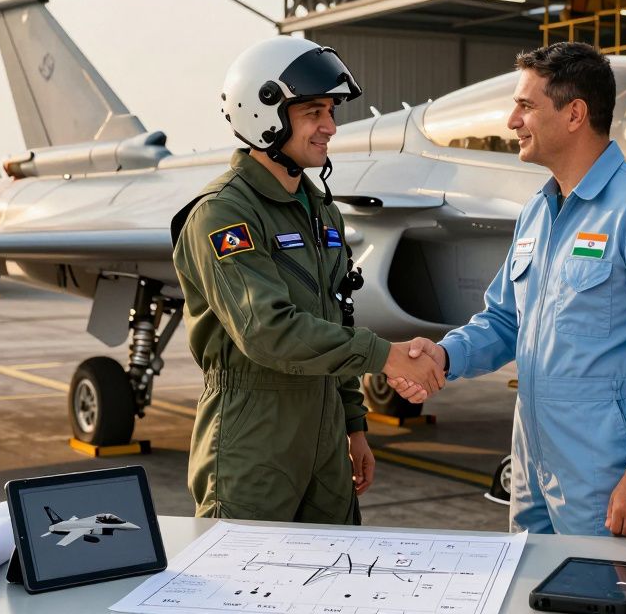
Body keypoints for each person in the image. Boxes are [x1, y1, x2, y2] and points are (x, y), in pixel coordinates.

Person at [394, 42, 626, 538]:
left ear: (575, 114)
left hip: (607, 476)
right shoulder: (536, 213)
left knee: (608, 594)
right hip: (533, 468)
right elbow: (503, 321)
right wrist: (442, 355)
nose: (511, 120)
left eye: (526, 105)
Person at [172, 36, 443, 524]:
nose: (330, 127)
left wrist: (354, 426)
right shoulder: (224, 213)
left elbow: (335, 316)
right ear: (265, 113)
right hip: (252, 437)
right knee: (243, 586)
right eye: (314, 112)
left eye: (331, 112)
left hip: (325, 439)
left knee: (334, 583)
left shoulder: (322, 212)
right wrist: (387, 355)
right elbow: (268, 332)